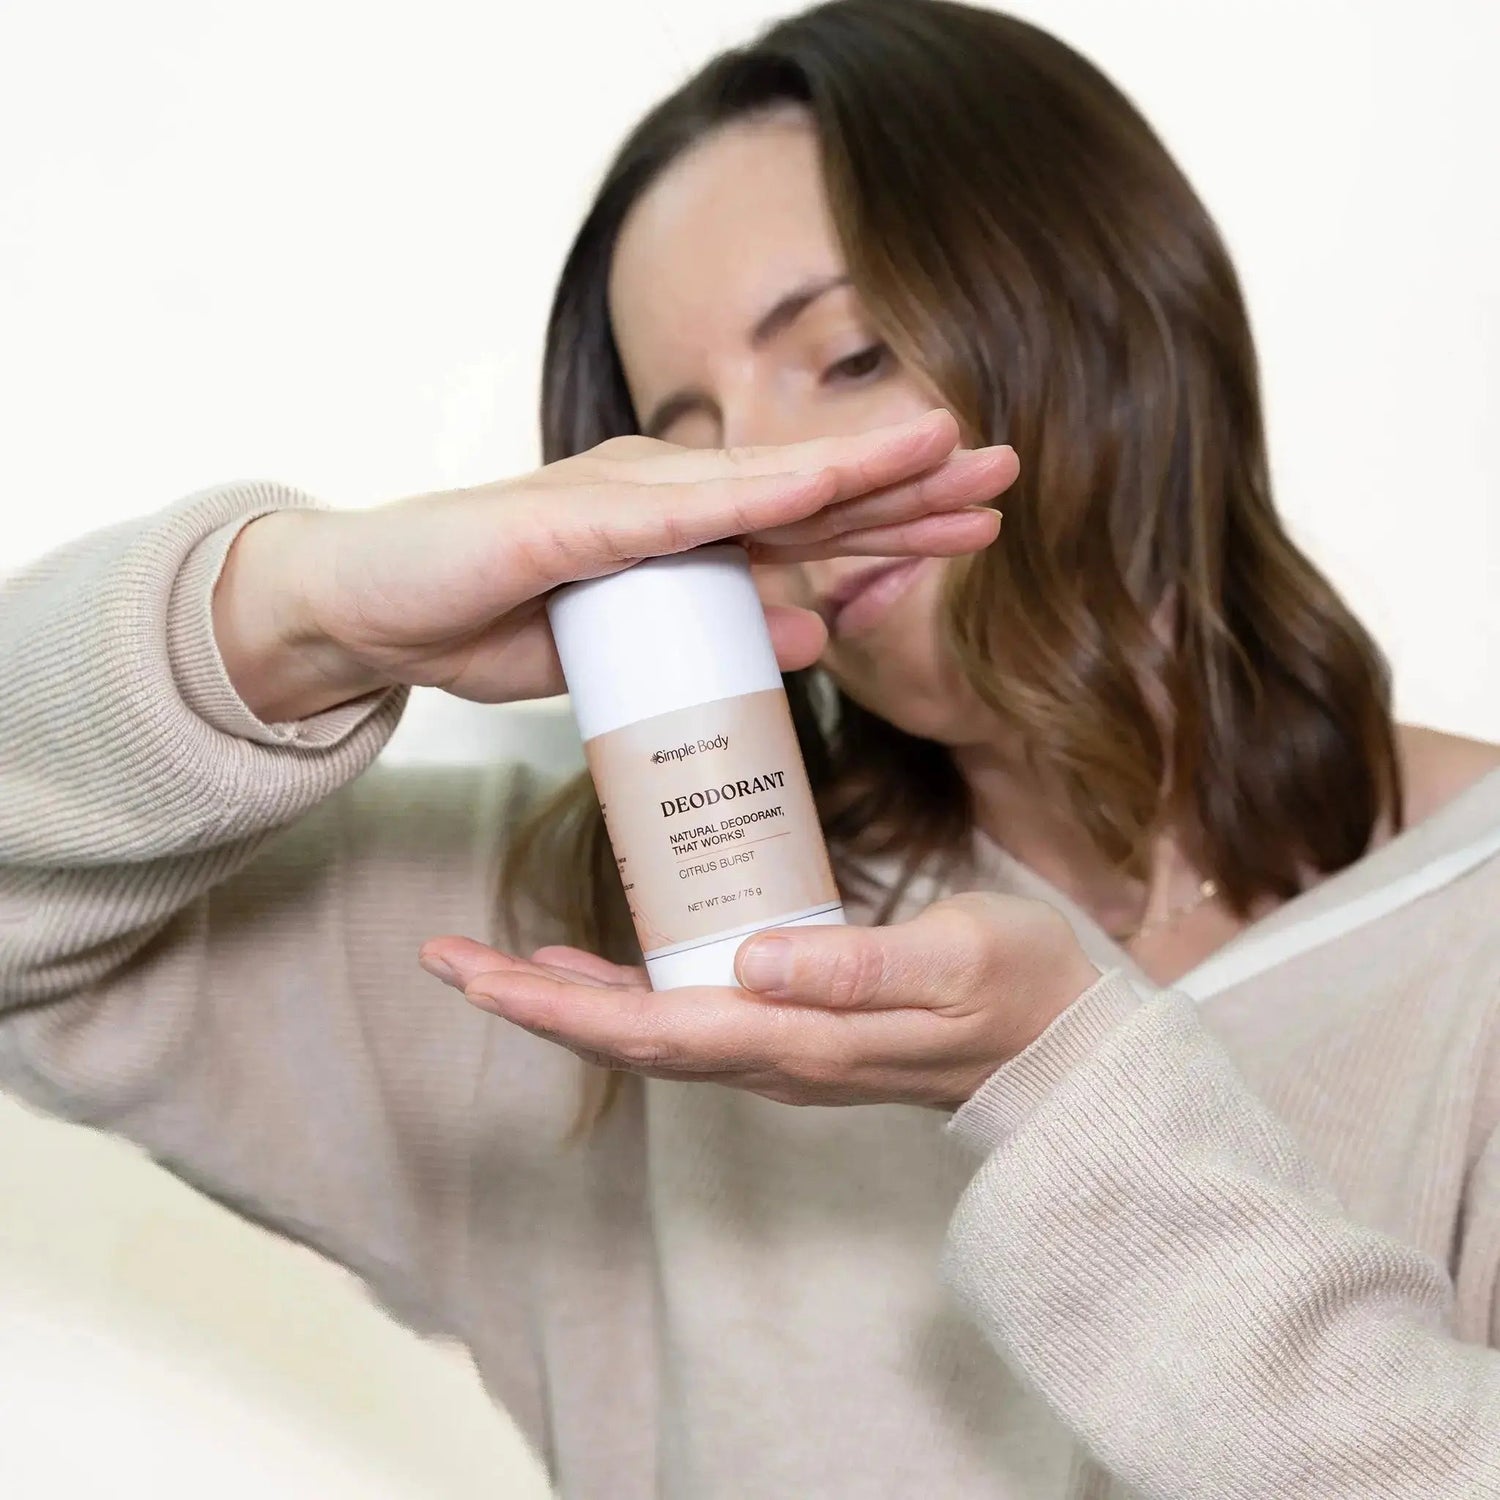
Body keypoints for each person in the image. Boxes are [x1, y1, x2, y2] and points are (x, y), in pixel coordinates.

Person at [3, 0, 1498, 1494]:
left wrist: (1063, 1079)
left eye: (849, 356)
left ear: (1124, 315)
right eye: (686, 431)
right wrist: (303, 611)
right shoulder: (591, 937)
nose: (760, 484)